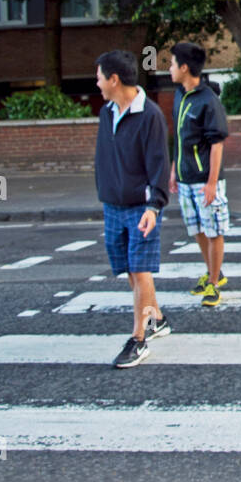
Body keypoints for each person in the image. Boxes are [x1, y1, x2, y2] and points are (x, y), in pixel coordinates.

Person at [94, 49, 171, 369]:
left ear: (114, 79)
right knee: (129, 269)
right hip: (113, 205)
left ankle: (138, 340)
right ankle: (158, 319)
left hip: (142, 207)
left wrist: (154, 207)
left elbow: (158, 164)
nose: (96, 82)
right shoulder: (106, 112)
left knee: (140, 270)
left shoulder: (150, 115)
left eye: (99, 77)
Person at [169, 41, 230, 307]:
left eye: (171, 63)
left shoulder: (208, 101)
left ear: (184, 67)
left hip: (206, 180)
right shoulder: (179, 96)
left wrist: (212, 182)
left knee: (213, 230)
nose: (169, 68)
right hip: (184, 178)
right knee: (197, 229)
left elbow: (217, 143)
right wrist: (174, 169)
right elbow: (180, 138)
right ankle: (213, 271)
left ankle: (214, 284)